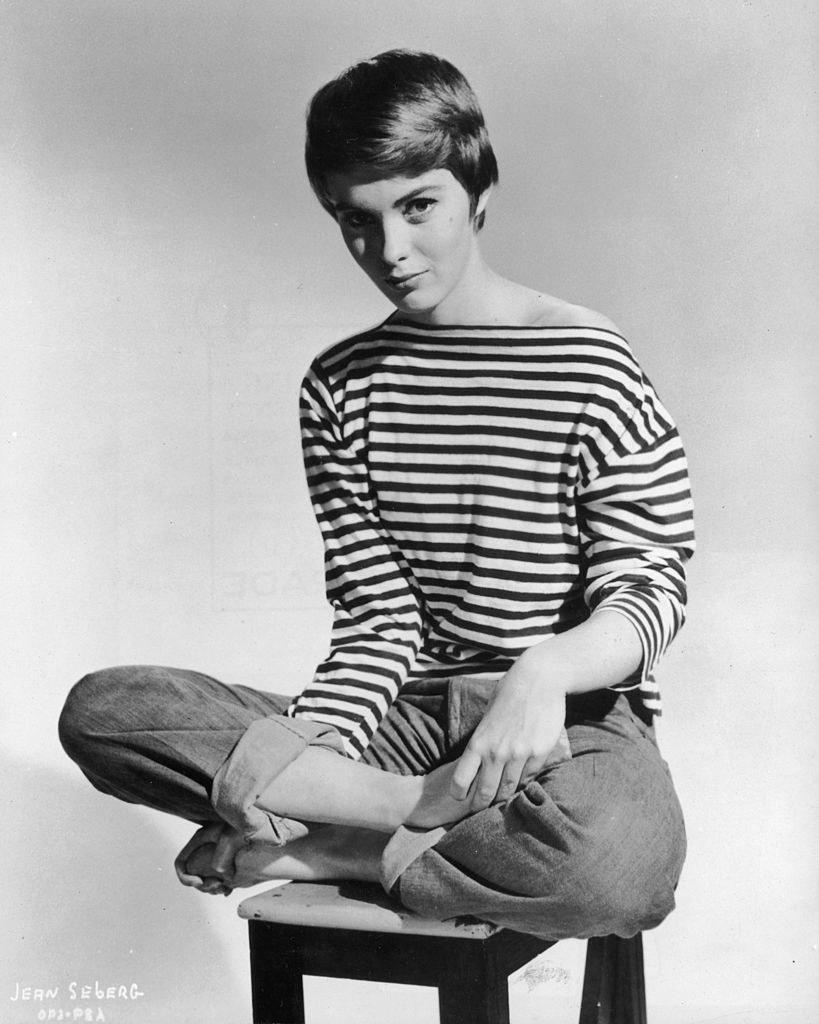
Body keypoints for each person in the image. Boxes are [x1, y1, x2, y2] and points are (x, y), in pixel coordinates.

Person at [59, 49, 695, 941]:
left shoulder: (589, 362)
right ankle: (400, 811)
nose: (388, 251)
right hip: (404, 730)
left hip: (567, 731)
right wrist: (324, 748)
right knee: (107, 712)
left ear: (478, 191)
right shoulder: (339, 385)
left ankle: (341, 848)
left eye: (416, 206)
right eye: (355, 221)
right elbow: (379, 621)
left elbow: (650, 586)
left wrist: (542, 670)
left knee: (621, 868)